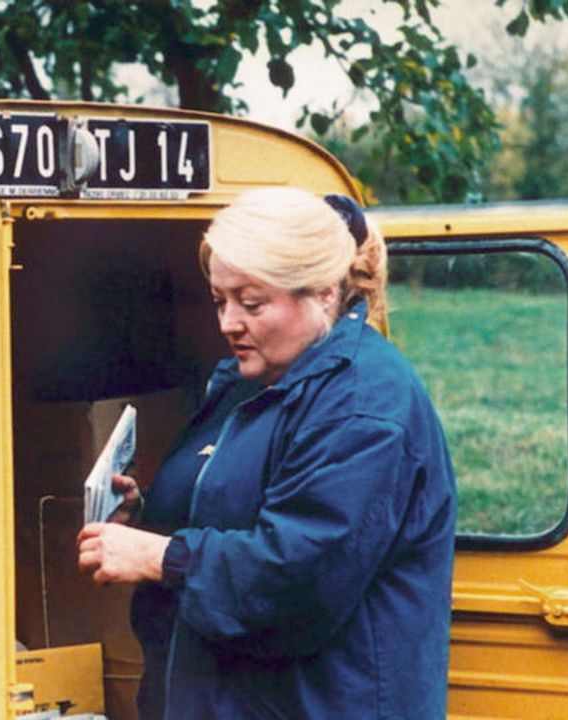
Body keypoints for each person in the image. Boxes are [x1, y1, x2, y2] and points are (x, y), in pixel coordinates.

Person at [77, 187, 456, 719]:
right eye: (220, 300)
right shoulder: (255, 381)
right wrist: (146, 518)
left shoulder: (362, 405)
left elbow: (298, 578)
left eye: (251, 303)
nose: (228, 322)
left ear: (324, 292)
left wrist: (158, 556)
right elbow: (233, 510)